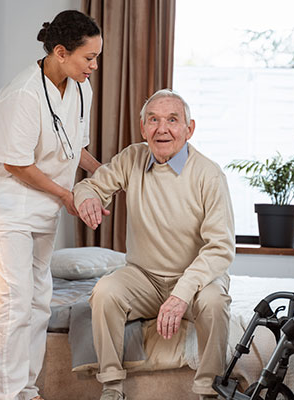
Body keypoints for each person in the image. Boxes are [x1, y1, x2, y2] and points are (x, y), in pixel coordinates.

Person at [73, 89, 235, 400]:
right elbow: (90, 185)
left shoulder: (209, 174)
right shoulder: (132, 158)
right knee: (104, 291)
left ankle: (208, 390)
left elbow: (221, 249)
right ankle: (111, 386)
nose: (162, 128)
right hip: (143, 277)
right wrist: (88, 197)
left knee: (216, 304)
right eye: (154, 120)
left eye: (172, 120)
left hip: (195, 280)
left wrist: (181, 295)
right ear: (143, 127)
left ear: (189, 128)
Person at [0, 10, 102, 400]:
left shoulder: (82, 89)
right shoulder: (23, 93)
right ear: (60, 52)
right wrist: (68, 195)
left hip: (44, 206)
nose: (94, 67)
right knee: (13, 302)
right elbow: (17, 162)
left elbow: (74, 146)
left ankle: (27, 389)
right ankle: (5, 394)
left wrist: (107, 176)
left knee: (39, 301)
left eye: (97, 57)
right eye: (88, 58)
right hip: (8, 206)